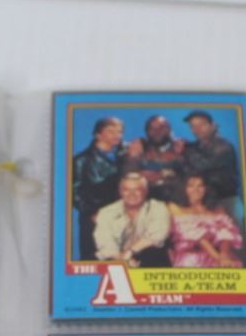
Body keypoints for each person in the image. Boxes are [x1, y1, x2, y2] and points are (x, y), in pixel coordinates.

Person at [93, 172, 173, 268]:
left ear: (145, 191)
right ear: (120, 192)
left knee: (153, 253)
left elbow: (157, 237)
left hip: (149, 258)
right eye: (126, 190)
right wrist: (121, 259)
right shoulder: (106, 212)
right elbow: (105, 242)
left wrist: (130, 252)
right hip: (116, 258)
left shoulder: (158, 207)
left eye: (137, 190)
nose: (132, 194)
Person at [71, 116, 124, 261]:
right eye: (111, 131)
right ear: (98, 135)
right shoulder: (81, 160)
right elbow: (73, 192)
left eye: (120, 132)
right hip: (95, 219)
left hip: (121, 218)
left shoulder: (123, 157)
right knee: (95, 259)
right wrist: (91, 213)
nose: (117, 135)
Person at [165, 174, 245, 268]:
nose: (196, 189)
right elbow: (198, 237)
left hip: (221, 255)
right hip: (192, 259)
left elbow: (227, 233)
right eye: (191, 186)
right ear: (183, 188)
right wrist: (218, 258)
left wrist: (224, 254)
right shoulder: (174, 207)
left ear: (206, 189)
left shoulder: (218, 209)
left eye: (200, 185)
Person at [179, 110, 240, 208]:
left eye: (202, 125)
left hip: (226, 201)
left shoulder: (224, 147)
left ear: (213, 126)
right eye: (193, 126)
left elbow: (202, 167)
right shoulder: (193, 147)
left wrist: (184, 150)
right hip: (205, 202)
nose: (197, 129)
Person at [122, 114, 189, 203]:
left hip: (176, 202)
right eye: (152, 128)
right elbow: (128, 176)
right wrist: (132, 157)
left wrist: (162, 174)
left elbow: (190, 177)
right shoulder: (138, 148)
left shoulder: (182, 148)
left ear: (169, 130)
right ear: (146, 132)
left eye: (162, 128)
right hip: (145, 202)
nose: (157, 132)